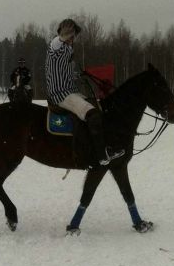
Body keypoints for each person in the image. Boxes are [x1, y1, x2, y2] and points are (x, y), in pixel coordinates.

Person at [45, 18, 124, 166]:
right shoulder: (55, 46)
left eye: (74, 36)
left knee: (98, 108)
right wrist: (63, 35)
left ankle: (104, 145)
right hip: (60, 94)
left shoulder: (69, 50)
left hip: (71, 91)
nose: (73, 38)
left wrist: (78, 75)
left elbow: (65, 72)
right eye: (72, 35)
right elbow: (57, 43)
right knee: (92, 114)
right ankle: (101, 155)